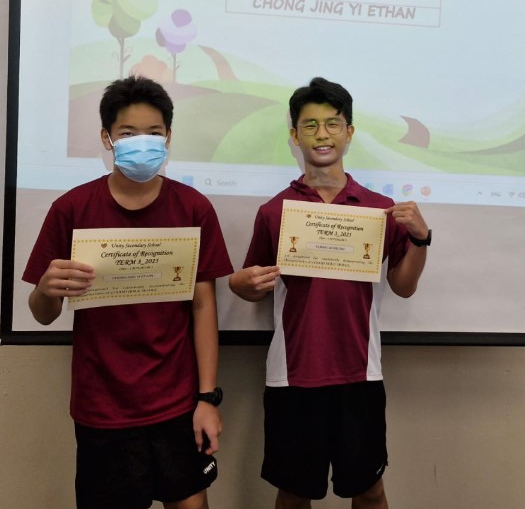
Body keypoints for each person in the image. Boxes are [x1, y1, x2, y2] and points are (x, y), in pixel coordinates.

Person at [23, 75, 233, 509]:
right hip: (103, 407)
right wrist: (45, 289)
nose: (143, 142)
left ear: (169, 136)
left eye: (153, 133)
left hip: (178, 403)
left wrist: (207, 398)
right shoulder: (71, 209)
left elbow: (203, 306)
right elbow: (43, 312)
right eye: (128, 133)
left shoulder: (193, 207)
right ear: (107, 138)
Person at [229, 76, 431, 509]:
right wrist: (239, 284)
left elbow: (403, 286)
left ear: (349, 132)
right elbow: (254, 285)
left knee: (370, 492)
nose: (322, 134)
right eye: (310, 125)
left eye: (333, 123)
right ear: (294, 135)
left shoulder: (379, 209)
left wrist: (420, 239)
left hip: (360, 374)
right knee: (293, 494)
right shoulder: (274, 211)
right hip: (293, 374)